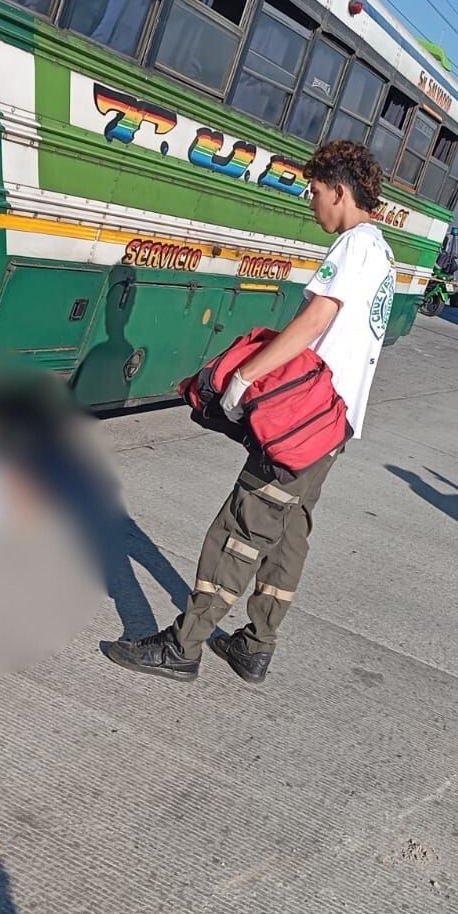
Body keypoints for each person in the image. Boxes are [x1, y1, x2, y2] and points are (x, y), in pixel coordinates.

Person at [101, 140, 394, 685]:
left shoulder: (353, 246)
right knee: (289, 531)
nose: (312, 204)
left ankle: (183, 646)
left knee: (242, 525)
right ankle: (255, 644)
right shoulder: (382, 250)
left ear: (339, 190)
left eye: (314, 193)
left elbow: (311, 325)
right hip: (336, 423)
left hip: (306, 419)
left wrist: (245, 375)